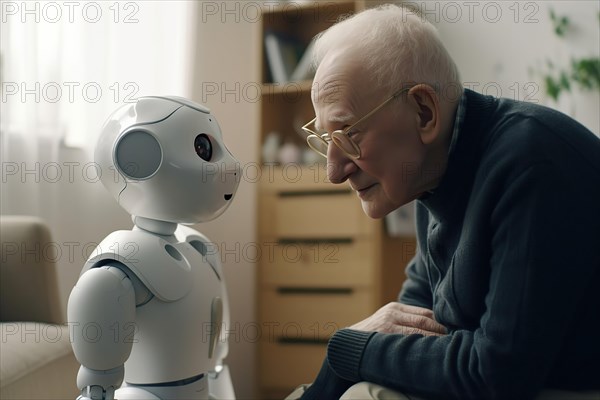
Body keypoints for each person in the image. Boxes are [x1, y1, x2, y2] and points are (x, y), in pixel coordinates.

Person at [286, 4, 600, 400]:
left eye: (347, 134)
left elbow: (497, 375)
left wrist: (346, 350)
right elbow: (411, 323)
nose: (334, 171)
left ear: (423, 112)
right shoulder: (430, 172)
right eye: (326, 140)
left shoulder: (532, 164)